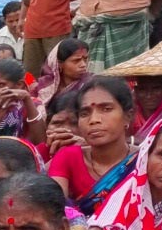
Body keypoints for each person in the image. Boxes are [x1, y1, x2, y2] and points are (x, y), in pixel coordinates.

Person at [48, 76, 136, 215]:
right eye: (85, 113)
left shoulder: (143, 159)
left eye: (106, 109)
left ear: (128, 116)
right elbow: (53, 207)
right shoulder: (68, 157)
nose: (94, 120)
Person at [76, 0, 162, 72]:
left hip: (129, 25)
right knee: (84, 76)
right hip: (89, 24)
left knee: (124, 74)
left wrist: (152, 11)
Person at [21, 0, 74, 76]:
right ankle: (32, 86)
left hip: (56, 27)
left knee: (57, 71)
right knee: (30, 74)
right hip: (35, 27)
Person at [33, 39, 92, 105]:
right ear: (59, 64)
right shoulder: (44, 86)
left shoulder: (91, 85)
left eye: (85, 59)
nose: (83, 65)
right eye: (76, 60)